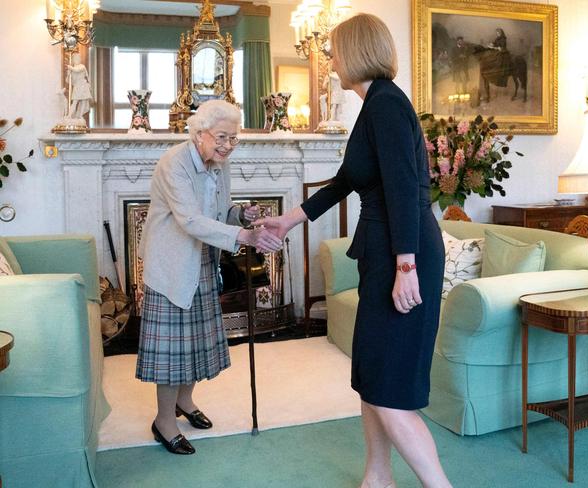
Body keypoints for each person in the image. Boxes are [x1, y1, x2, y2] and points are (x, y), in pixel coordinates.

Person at [255, 14, 451, 488]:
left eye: (336, 50)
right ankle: (377, 477)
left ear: (358, 51)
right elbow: (347, 180)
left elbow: (405, 188)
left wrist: (406, 265)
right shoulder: (374, 105)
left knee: (388, 389)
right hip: (385, 251)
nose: (331, 58)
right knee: (370, 377)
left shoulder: (384, 105)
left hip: (402, 253)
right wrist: (290, 218)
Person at [136, 99, 283, 455]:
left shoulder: (219, 165)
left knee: (196, 344)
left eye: (234, 138)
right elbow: (188, 219)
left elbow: (217, 211)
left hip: (202, 259)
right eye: (222, 137)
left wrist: (239, 214)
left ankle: (184, 402)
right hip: (172, 264)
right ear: (199, 133)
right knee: (172, 352)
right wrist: (244, 237)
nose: (228, 145)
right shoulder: (174, 163)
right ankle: (163, 422)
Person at [67, 53, 92, 120]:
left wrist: (70, 68)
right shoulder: (72, 69)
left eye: (78, 58)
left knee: (84, 101)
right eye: (75, 58)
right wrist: (68, 74)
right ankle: (69, 116)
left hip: (83, 86)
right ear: (73, 60)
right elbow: (68, 81)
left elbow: (77, 70)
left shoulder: (82, 66)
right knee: (74, 102)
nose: (77, 60)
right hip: (77, 87)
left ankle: (80, 115)